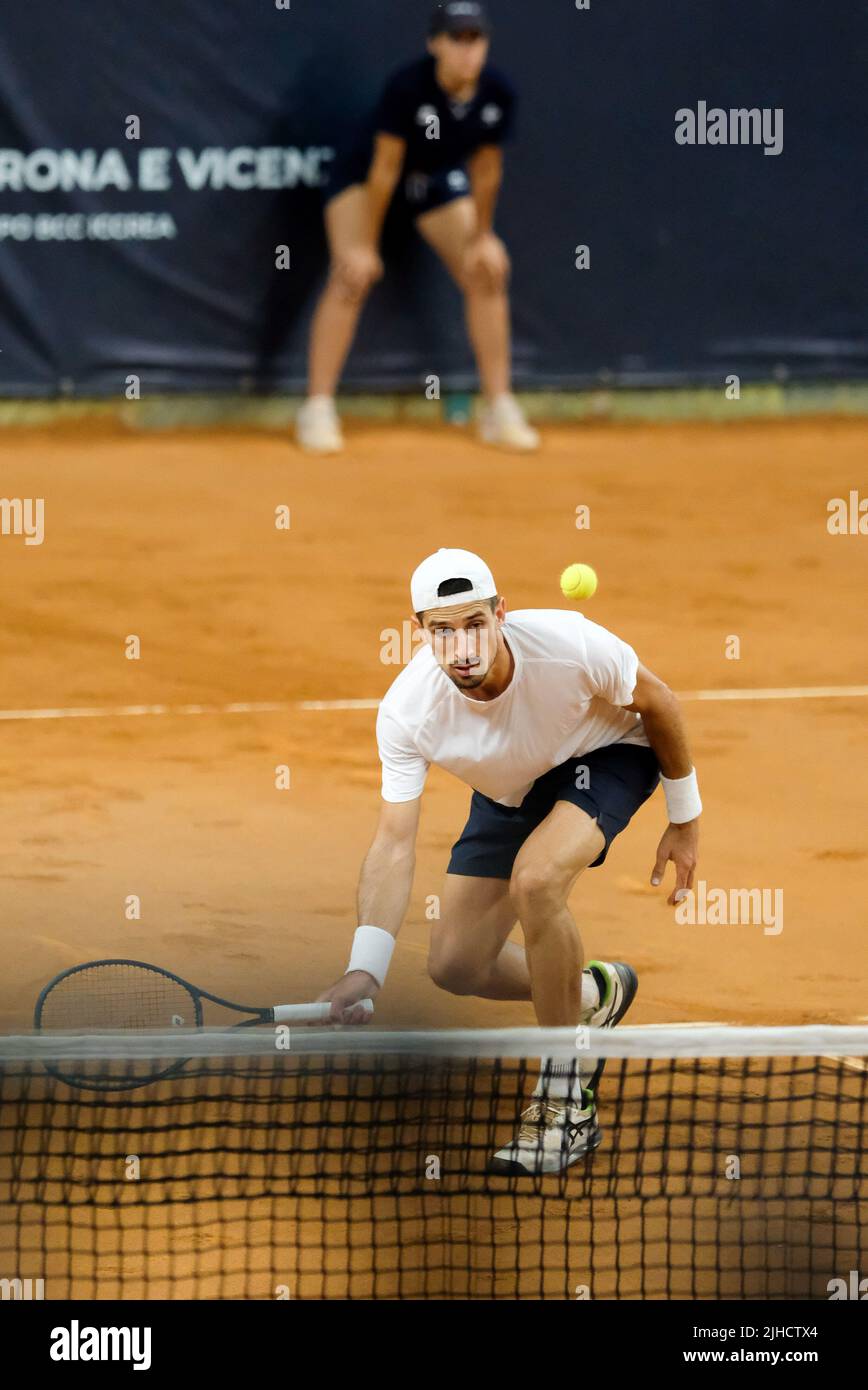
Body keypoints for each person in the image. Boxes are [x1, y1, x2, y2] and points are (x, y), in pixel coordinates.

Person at [318, 548, 702, 1174]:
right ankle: (590, 994)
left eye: (474, 624)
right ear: (421, 631)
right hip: (512, 788)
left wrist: (685, 819)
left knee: (538, 880)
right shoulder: (407, 712)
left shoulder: (569, 645)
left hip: (602, 756)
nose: (462, 648)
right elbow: (392, 842)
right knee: (454, 965)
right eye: (443, 631)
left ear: (502, 613)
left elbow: (659, 703)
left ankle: (564, 1100)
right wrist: (366, 968)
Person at [297, 2, 539, 455]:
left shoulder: (497, 93)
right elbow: (386, 168)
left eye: (476, 40)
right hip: (366, 177)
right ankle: (317, 407)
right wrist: (365, 245)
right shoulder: (408, 87)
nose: (468, 51)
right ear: (435, 45)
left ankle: (499, 407)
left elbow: (486, 172)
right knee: (352, 272)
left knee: (485, 268)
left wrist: (482, 237)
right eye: (457, 39)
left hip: (432, 181)